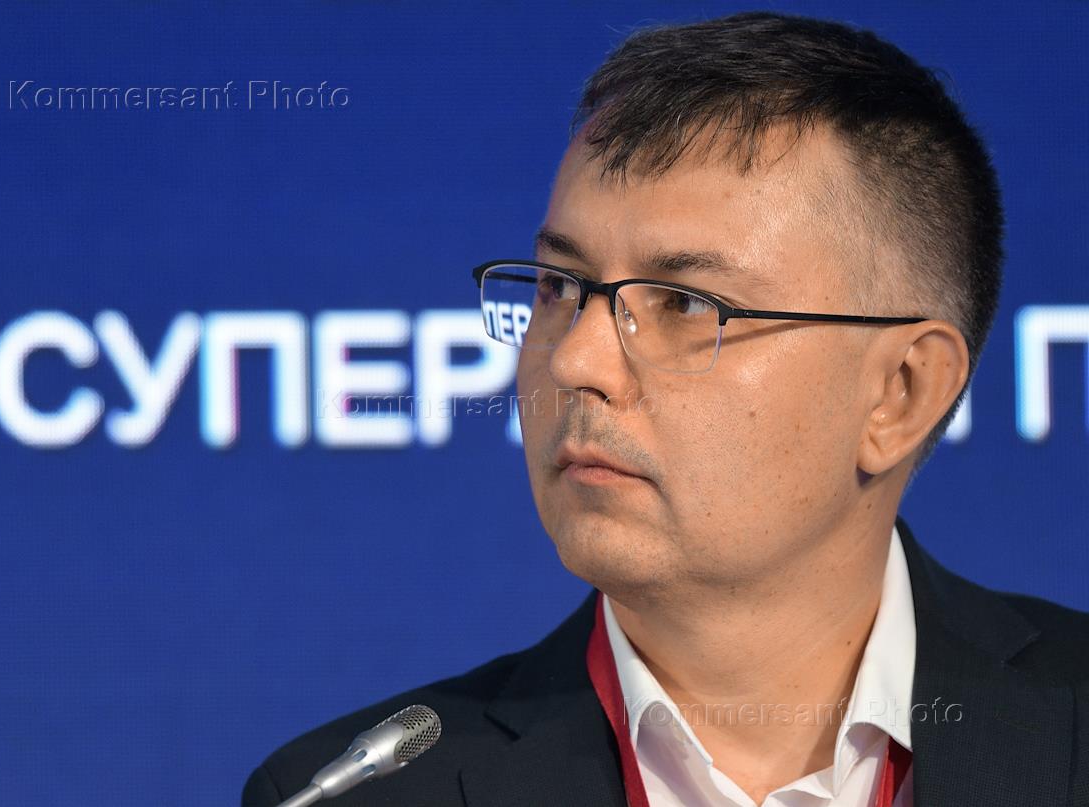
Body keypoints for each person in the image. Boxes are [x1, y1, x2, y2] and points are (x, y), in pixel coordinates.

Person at [242, 11, 1089, 807]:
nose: (574, 361)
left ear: (901, 392)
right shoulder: (359, 790)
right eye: (558, 287)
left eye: (684, 304)